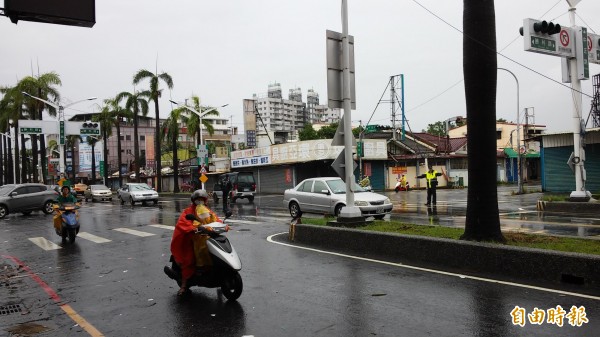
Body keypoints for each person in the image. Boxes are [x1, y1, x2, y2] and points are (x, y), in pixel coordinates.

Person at [170, 189, 222, 296]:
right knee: (189, 259)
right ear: (193, 201)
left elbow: (214, 219)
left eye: (201, 199)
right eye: (197, 200)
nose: (200, 202)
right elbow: (183, 222)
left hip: (205, 237)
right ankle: (184, 286)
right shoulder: (188, 211)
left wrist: (221, 225)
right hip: (192, 238)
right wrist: (192, 228)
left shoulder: (206, 210)